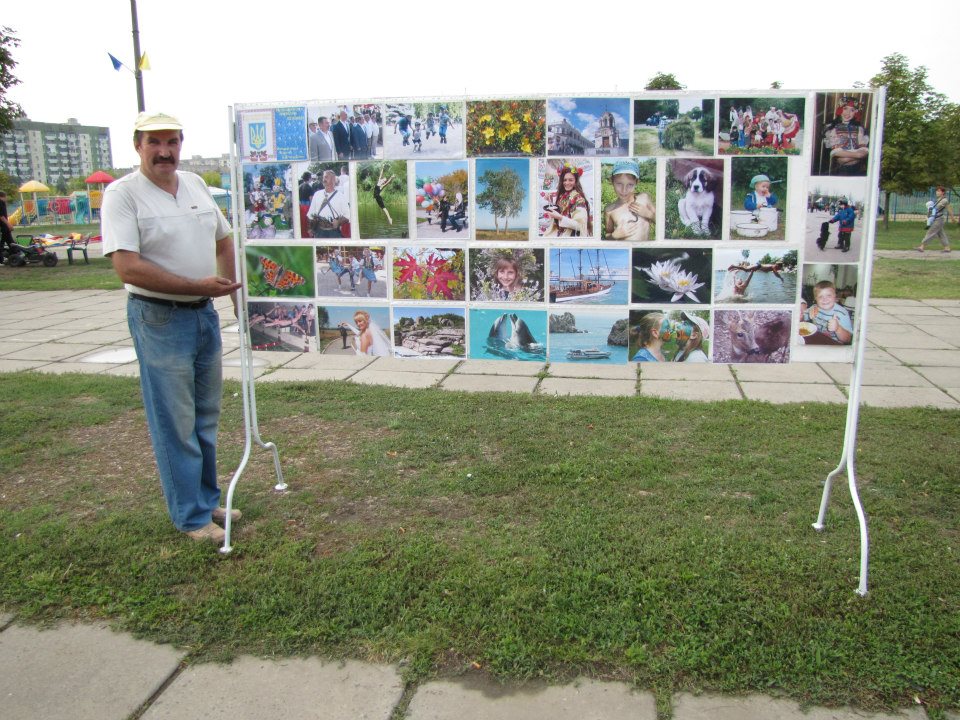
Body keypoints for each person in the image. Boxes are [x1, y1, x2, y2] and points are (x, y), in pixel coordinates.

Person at [101, 111, 242, 544]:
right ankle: (190, 516)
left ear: (181, 144)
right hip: (159, 317)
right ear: (137, 146)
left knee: (205, 417)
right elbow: (127, 267)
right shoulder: (122, 195)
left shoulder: (196, 185)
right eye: (154, 143)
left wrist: (238, 302)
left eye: (172, 142)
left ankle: (207, 501)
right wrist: (193, 285)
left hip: (204, 314)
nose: (165, 151)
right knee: (174, 421)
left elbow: (223, 240)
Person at [604, 159, 655, 241]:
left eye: (630, 184)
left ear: (637, 182)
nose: (624, 190)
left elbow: (661, 222)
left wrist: (649, 214)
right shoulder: (609, 210)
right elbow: (607, 234)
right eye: (619, 184)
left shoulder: (644, 198)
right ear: (612, 181)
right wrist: (614, 236)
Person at [823, 98, 869, 176]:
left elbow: (863, 151)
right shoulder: (833, 129)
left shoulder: (859, 129)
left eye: (852, 110)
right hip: (841, 169)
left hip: (859, 169)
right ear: (840, 110)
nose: (848, 113)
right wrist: (857, 155)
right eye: (845, 109)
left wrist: (850, 157)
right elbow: (836, 152)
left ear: (856, 113)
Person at [544, 162, 592, 237]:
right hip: (560, 232)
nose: (567, 183)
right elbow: (562, 211)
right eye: (565, 180)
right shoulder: (563, 195)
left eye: (570, 180)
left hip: (570, 234)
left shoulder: (579, 199)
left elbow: (580, 226)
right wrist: (550, 201)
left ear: (576, 181)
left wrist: (559, 217)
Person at [306, 170, 349, 239]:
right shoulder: (317, 194)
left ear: (333, 179)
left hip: (334, 233)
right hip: (319, 232)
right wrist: (310, 228)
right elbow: (311, 214)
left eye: (326, 177)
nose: (324, 179)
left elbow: (347, 216)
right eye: (323, 178)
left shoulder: (341, 196)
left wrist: (339, 222)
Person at [917, 186, 952, 252]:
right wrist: (928, 217)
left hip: (939, 219)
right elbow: (932, 210)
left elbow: (947, 209)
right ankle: (947, 247)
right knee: (941, 234)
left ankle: (922, 246)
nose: (937, 192)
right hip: (936, 219)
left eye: (939, 191)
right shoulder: (938, 200)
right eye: (937, 191)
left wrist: (952, 218)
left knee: (930, 232)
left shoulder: (944, 200)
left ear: (943, 192)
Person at [0, 190, 16, 263]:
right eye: (5, 197)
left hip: (4, 227)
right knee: (2, 243)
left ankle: (14, 256)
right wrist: (8, 224)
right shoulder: (1, 203)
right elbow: (1, 216)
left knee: (10, 242)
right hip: (3, 227)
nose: (6, 199)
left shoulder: (2, 203)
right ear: (3, 196)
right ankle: (1, 260)